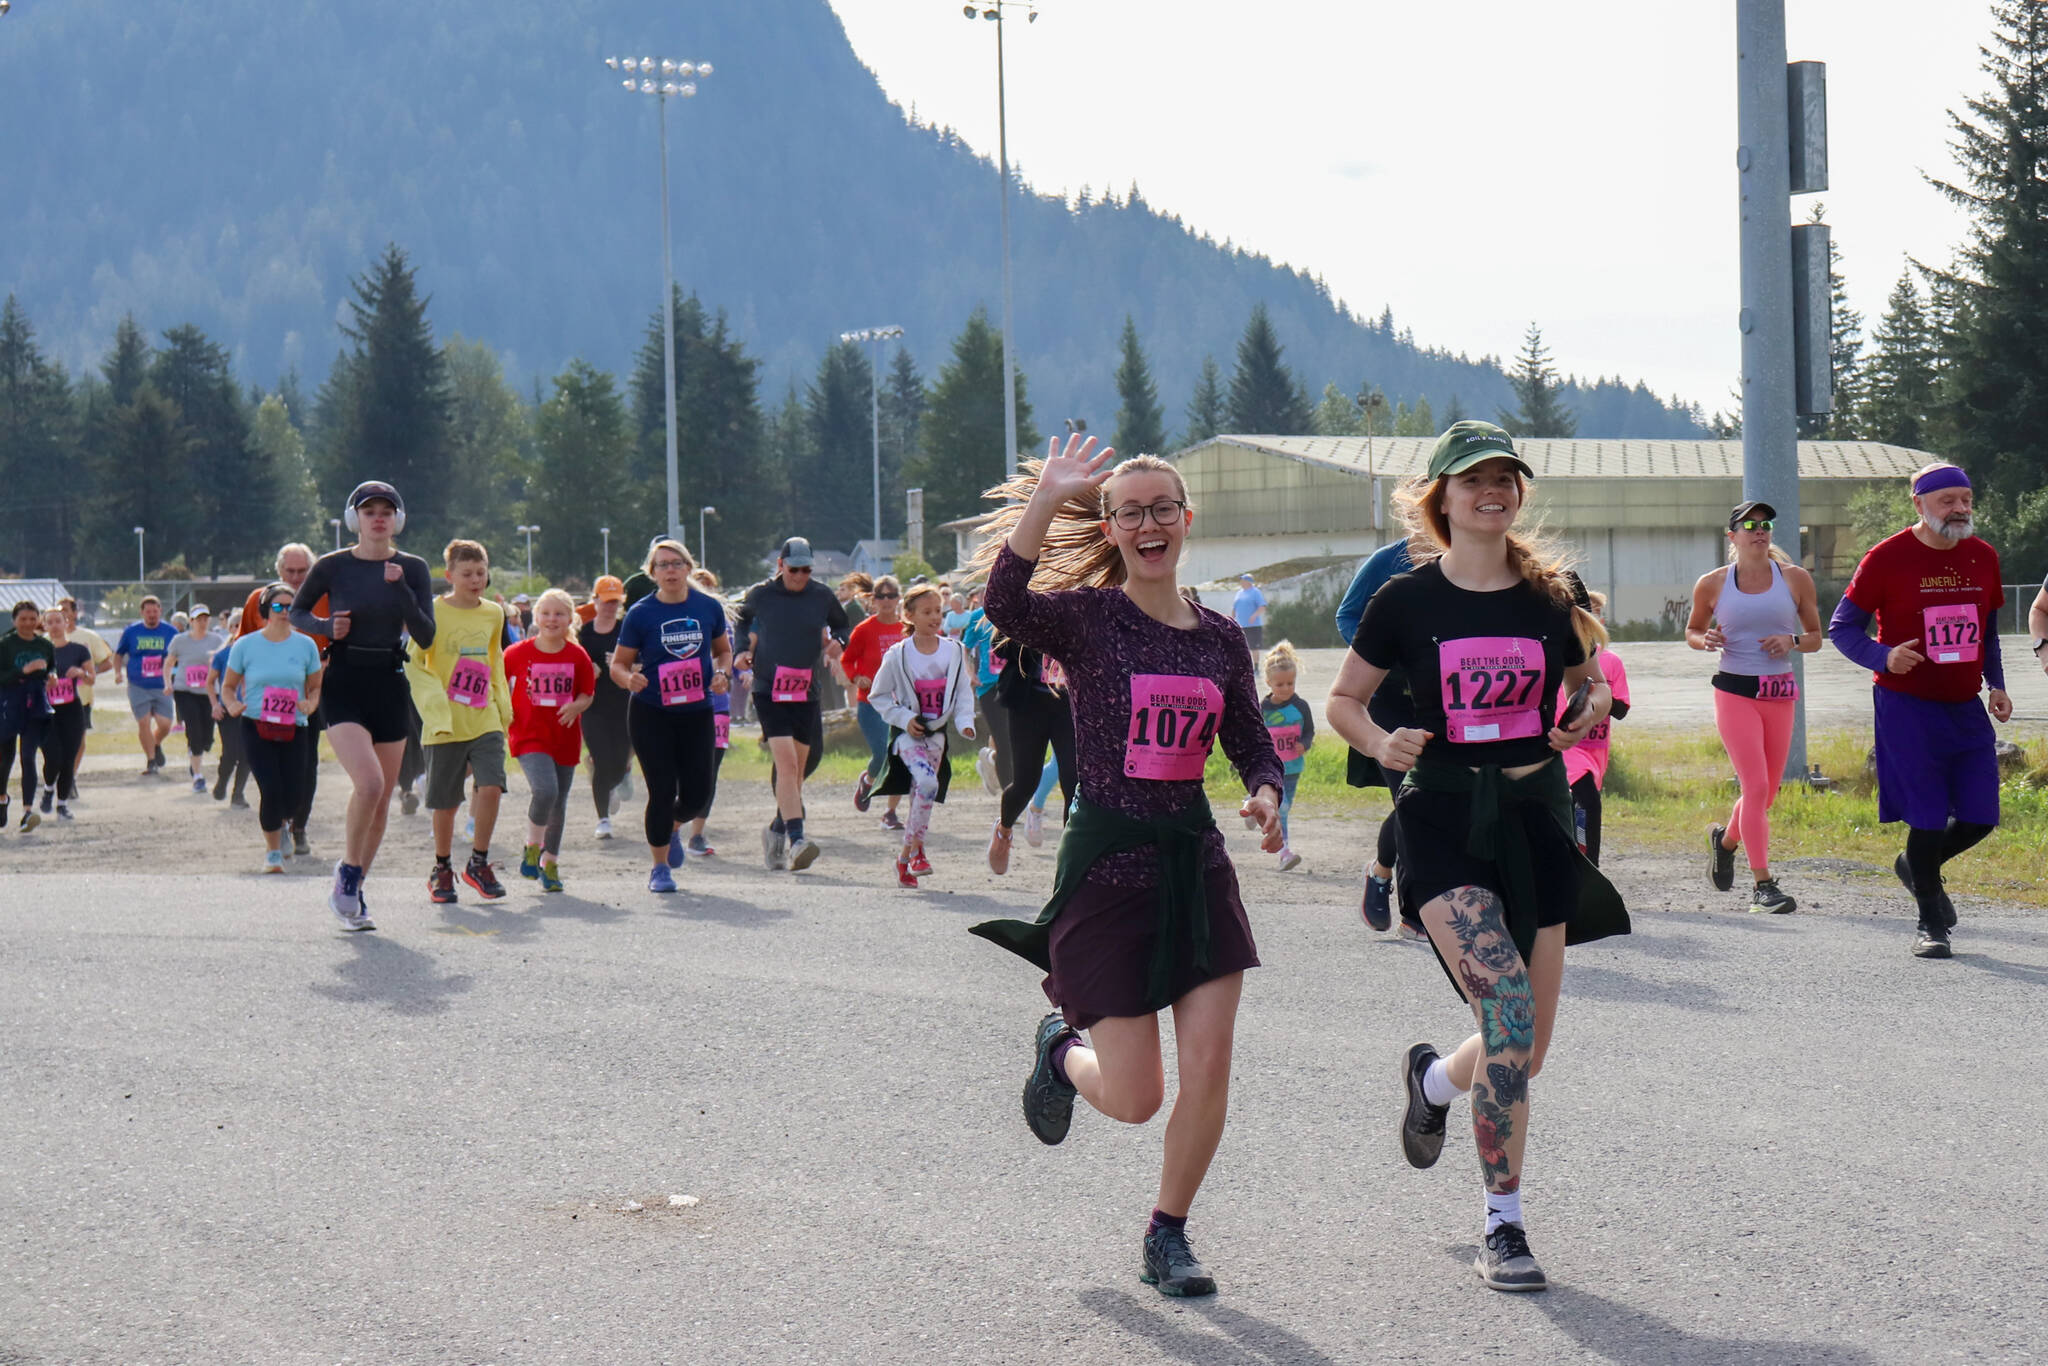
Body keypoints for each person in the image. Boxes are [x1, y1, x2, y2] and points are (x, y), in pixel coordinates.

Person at [968, 435, 1285, 1300]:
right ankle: (1060, 1050)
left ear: (1187, 520)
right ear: (1110, 528)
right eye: (1130, 511)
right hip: (1108, 867)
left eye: (1162, 509)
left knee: (1211, 1063)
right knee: (1137, 1097)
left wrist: (1264, 790)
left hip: (1194, 863)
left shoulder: (1222, 640)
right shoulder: (1088, 618)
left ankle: (1167, 1234)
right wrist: (1046, 496)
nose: (1149, 523)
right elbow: (1004, 599)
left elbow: (1250, 739)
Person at [1326, 420, 1630, 1293]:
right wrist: (1382, 742)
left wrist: (1592, 705)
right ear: (1443, 498)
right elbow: (1344, 701)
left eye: (1505, 478)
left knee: (1523, 1048)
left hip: (1537, 814)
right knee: (1504, 1011)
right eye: (1473, 480)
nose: (1491, 491)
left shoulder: (1548, 594)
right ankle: (1504, 1224)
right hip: (1445, 821)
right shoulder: (1405, 601)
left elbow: (1588, 682)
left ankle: (1431, 1078)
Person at [1828, 463, 2012, 959]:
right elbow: (1842, 628)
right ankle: (1931, 923)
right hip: (1906, 705)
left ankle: (1916, 866)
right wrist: (1883, 656)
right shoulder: (1886, 557)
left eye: (1966, 499)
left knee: (1979, 816)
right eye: (1947, 499)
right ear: (1920, 503)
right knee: (1927, 818)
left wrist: (1996, 684)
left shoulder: (1982, 556)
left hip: (1964, 704)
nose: (1959, 509)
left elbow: (1987, 632)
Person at [292, 480, 438, 930]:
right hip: (344, 681)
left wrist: (402, 593)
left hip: (390, 682)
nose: (378, 517)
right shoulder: (333, 566)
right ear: (355, 518)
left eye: (386, 510)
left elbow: (427, 634)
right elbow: (297, 612)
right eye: (369, 509)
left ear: (397, 519)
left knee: (382, 801)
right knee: (370, 784)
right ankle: (349, 872)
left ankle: (353, 888)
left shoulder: (412, 568)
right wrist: (324, 625)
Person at [1686, 502, 1823, 912]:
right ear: (1733, 537)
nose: (1759, 530)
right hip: (1733, 691)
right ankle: (1764, 886)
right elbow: (1693, 630)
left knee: (1767, 796)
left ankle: (1725, 842)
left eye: (1765, 525)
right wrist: (1703, 639)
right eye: (1749, 525)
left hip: (1778, 691)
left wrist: (1793, 642)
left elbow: (1816, 636)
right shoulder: (1712, 583)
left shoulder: (1795, 579)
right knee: (1756, 787)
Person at [610, 540, 731, 893]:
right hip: (652, 712)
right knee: (661, 791)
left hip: (696, 711)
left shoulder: (707, 607)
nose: (671, 570)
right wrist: (628, 679)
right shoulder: (641, 614)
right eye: (662, 565)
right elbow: (618, 664)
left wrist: (722, 673)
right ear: (653, 573)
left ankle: (673, 825)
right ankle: (659, 867)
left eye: (677, 563)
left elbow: (723, 651)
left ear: (688, 568)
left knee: (697, 794)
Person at [407, 538, 513, 905]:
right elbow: (413, 662)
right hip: (445, 721)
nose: (476, 580)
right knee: (446, 802)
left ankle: (479, 863)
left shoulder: (493, 613)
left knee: (491, 786)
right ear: (449, 575)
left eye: (481, 573)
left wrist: (503, 703)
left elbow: (494, 657)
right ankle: (442, 868)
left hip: (483, 717)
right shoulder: (431, 612)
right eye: (467, 574)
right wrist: (434, 702)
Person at [734, 537, 848, 871]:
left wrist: (838, 643)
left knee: (799, 768)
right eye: (794, 569)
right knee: (786, 764)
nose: (800, 576)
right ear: (780, 566)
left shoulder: (822, 595)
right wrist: (742, 651)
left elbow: (842, 624)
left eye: (806, 569)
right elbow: (741, 621)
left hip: (805, 690)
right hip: (769, 689)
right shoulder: (761, 594)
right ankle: (797, 839)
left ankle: (776, 829)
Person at [867, 582, 977, 886]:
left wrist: (964, 721)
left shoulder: (954, 651)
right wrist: (903, 718)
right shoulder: (897, 655)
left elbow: (963, 692)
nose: (934, 617)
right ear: (909, 615)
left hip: (937, 736)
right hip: (907, 738)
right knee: (928, 782)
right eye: (927, 612)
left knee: (921, 794)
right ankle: (918, 855)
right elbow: (879, 696)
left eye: (938, 611)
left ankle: (905, 859)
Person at [1335, 537, 1418, 935]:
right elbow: (1347, 616)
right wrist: (1380, 658)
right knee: (1411, 799)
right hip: (1388, 700)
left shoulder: (1467, 556)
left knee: (1440, 796)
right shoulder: (1387, 561)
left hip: (1443, 699)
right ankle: (1407, 905)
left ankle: (1385, 872)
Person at [224, 583, 324, 872]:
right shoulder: (246, 645)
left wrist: (311, 703)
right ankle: (272, 853)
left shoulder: (305, 645)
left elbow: (316, 686)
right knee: (270, 788)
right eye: (278, 606)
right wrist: (232, 704)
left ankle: (284, 826)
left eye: (290, 607)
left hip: (295, 726)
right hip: (257, 725)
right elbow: (229, 687)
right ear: (266, 610)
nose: (284, 612)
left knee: (294, 793)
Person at [505, 589, 596, 893]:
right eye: (545, 613)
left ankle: (551, 864)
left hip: (564, 736)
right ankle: (533, 845)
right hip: (529, 734)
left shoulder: (576, 655)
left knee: (559, 801)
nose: (552, 619)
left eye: (559, 614)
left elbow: (587, 693)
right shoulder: (517, 653)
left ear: (570, 619)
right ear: (536, 616)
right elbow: (498, 686)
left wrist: (577, 705)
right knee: (545, 790)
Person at [238, 545, 327, 851]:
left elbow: (336, 643)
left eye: (303, 572)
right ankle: (277, 823)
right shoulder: (258, 601)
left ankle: (299, 824)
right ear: (279, 571)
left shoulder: (324, 599)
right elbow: (243, 644)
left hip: (307, 698)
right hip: (265, 701)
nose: (296, 577)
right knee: (270, 767)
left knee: (306, 765)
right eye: (290, 572)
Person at [985, 632, 1077, 876]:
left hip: (1070, 704)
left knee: (1074, 782)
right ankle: (1003, 831)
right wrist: (1036, 631)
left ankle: (1072, 861)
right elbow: (999, 648)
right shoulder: (1028, 598)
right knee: (1026, 782)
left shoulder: (1082, 598)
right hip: (1029, 702)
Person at [1559, 588, 1629, 865]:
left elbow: (1621, 709)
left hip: (1596, 747)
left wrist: (1598, 697)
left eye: (1597, 616)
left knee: (1577, 806)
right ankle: (1592, 868)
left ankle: (1574, 856)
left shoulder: (1611, 662)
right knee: (1589, 801)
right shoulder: (1560, 654)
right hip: (1566, 745)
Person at [842, 574, 907, 827]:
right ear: (873, 600)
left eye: (892, 596)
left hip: (901, 705)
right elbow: (847, 660)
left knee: (900, 757)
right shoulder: (864, 629)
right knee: (882, 755)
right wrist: (856, 676)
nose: (887, 601)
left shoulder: (906, 628)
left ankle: (890, 814)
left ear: (899, 599)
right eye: (881, 596)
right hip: (871, 704)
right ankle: (868, 780)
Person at [576, 575, 633, 839]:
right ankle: (603, 819)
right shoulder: (583, 632)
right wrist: (589, 669)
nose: (610, 607)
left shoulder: (626, 629)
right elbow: (573, 664)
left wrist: (622, 664)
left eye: (615, 602)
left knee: (620, 763)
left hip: (622, 704)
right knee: (601, 759)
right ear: (595, 601)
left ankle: (613, 783)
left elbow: (642, 664)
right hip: (593, 705)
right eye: (605, 601)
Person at [1260, 641, 1315, 871]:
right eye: (1280, 684)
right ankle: (1284, 853)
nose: (1285, 688)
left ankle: (1256, 808)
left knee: (1285, 807)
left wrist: (1304, 743)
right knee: (1281, 810)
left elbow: (1309, 730)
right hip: (1270, 768)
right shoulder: (1262, 708)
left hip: (1292, 768)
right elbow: (1253, 736)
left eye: (1290, 683)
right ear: (1268, 683)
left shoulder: (1300, 706)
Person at [1, 601, 55, 832]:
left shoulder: (44, 644)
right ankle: (2, 799)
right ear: (14, 620)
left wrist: (51, 676)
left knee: (28, 756)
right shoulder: (5, 644)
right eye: (23, 619)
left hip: (35, 704)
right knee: (5, 757)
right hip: (9, 703)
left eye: (33, 619)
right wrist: (23, 671)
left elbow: (51, 668)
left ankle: (27, 812)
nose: (28, 623)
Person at [52, 599, 114, 796]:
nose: (62, 615)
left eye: (65, 611)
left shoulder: (88, 637)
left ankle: (70, 778)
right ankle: (58, 776)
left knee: (77, 740)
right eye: (58, 611)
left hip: (81, 697)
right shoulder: (46, 640)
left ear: (74, 613)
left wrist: (85, 672)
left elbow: (107, 662)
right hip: (53, 699)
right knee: (55, 741)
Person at [162, 604, 224, 794]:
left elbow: (224, 664)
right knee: (194, 730)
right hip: (184, 691)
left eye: (206, 619)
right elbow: (168, 663)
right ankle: (198, 776)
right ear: (191, 622)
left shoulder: (216, 640)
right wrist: (167, 683)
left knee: (207, 738)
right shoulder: (180, 641)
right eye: (199, 619)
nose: (203, 623)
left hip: (208, 693)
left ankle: (196, 752)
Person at [37, 606, 92, 822]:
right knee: (53, 756)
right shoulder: (39, 649)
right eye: (49, 622)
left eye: (58, 621)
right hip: (47, 710)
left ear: (66, 622)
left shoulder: (78, 649)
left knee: (69, 757)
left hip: (71, 709)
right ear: (44, 625)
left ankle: (62, 805)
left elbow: (91, 678)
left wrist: (81, 672)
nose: (54, 625)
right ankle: (49, 788)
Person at [115, 595, 176, 775]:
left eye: (155, 611)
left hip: (161, 684)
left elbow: (180, 654)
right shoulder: (131, 631)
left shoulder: (170, 632)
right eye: (148, 612)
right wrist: (118, 672)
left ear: (160, 612)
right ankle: (151, 761)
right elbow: (118, 654)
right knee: (143, 722)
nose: (152, 615)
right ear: (142, 613)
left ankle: (155, 744)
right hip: (138, 684)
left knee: (165, 724)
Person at [959, 596, 1008, 804]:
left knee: (1010, 739)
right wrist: (970, 671)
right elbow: (965, 647)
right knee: (1004, 739)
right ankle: (1010, 798)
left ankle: (990, 760)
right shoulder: (978, 616)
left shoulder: (1020, 609)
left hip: (1016, 682)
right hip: (988, 684)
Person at [205, 626, 251, 809]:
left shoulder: (258, 653)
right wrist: (215, 704)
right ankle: (222, 781)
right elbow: (210, 682)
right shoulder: (223, 654)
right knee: (231, 753)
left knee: (247, 754)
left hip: (250, 711)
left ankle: (238, 794)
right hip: (228, 710)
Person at [1230, 572, 1268, 653]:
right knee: (1242, 648)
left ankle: (1256, 665)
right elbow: (1234, 608)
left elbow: (1262, 607)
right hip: (1241, 625)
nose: (1241, 582)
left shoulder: (1256, 592)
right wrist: (1232, 619)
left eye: (1243, 580)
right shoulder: (1239, 593)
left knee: (1254, 647)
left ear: (1249, 581)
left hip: (1253, 625)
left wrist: (1254, 616)